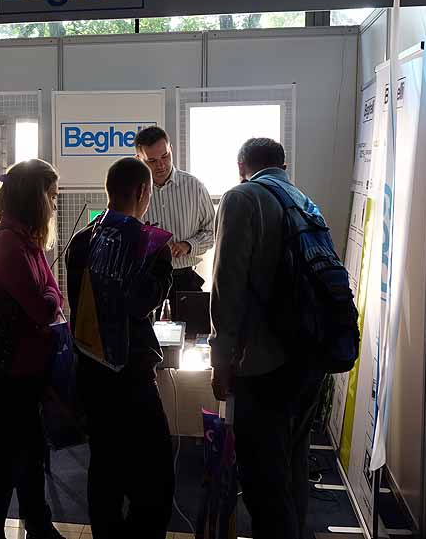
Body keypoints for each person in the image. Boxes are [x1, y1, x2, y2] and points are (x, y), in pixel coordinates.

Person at [209, 138, 326, 539]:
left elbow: (227, 286)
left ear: (241, 166)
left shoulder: (241, 198)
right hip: (310, 356)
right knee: (293, 466)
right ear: (283, 165)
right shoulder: (303, 201)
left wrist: (220, 361)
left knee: (263, 478)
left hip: (264, 362)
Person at [66, 157, 175, 539]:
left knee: (105, 470)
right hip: (132, 378)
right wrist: (163, 271)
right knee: (156, 478)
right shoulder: (150, 244)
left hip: (90, 372)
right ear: (143, 192)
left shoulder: (81, 241)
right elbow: (142, 303)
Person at [0, 159, 66, 539]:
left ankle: (39, 526)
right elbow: (44, 307)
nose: (55, 205)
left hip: (25, 368)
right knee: (5, 463)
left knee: (28, 456)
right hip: (10, 372)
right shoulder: (9, 244)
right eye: (52, 196)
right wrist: (50, 296)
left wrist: (49, 296)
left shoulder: (24, 240)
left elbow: (51, 294)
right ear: (35, 198)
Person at [134, 126, 215, 321]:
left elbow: (213, 231)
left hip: (185, 280)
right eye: (152, 161)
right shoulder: (134, 191)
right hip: (145, 280)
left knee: (191, 335)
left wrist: (188, 245)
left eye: (165, 156)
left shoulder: (194, 187)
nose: (161, 165)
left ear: (171, 149)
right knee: (146, 337)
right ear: (139, 159)